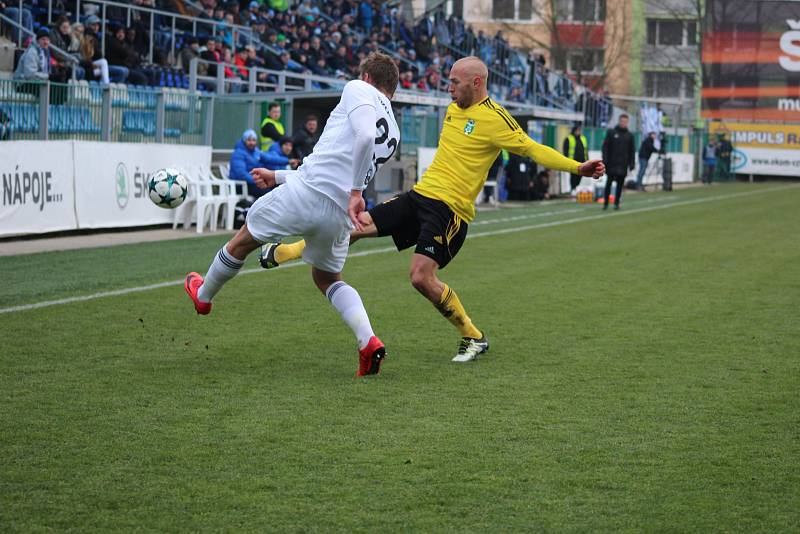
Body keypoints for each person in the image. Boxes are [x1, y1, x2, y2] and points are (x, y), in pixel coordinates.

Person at [262, 56, 605, 362]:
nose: (449, 88)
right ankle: (286, 251)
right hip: (420, 196)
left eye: (455, 82)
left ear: (477, 82)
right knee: (354, 226)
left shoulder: (496, 119)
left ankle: (473, 336)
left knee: (420, 278)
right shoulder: (454, 109)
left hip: (449, 211)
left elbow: (532, 150)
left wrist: (577, 168)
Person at [184, 52, 400, 377]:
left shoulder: (358, 88)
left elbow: (363, 139)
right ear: (392, 90)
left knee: (244, 240)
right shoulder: (395, 130)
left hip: (309, 195)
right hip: (339, 211)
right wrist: (279, 175)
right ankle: (367, 341)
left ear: (367, 78)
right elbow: (336, 162)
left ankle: (203, 295)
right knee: (326, 278)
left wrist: (357, 191)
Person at [229, 129, 297, 198]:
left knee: (277, 188)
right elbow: (241, 173)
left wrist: (288, 161)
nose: (251, 143)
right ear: (244, 140)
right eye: (249, 140)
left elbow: (270, 159)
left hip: (253, 181)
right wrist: (257, 180)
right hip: (242, 185)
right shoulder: (238, 153)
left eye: (254, 140)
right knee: (269, 195)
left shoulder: (255, 151)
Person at [601, 114, 635, 210]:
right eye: (622, 121)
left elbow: (632, 151)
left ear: (627, 122)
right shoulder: (611, 132)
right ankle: (606, 203)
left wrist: (632, 164)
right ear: (619, 121)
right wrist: (605, 160)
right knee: (608, 183)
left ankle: (616, 203)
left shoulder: (629, 136)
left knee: (620, 186)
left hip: (623, 164)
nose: (623, 123)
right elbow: (605, 147)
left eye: (625, 121)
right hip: (611, 164)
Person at [562, 125, 587, 192]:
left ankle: (576, 187)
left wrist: (587, 159)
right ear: (574, 131)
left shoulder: (583, 138)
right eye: (577, 130)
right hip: (572, 161)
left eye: (579, 130)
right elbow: (565, 150)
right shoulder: (569, 138)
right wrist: (566, 160)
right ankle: (573, 188)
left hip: (582, 161)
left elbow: (585, 150)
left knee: (580, 175)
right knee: (573, 176)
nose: (579, 132)